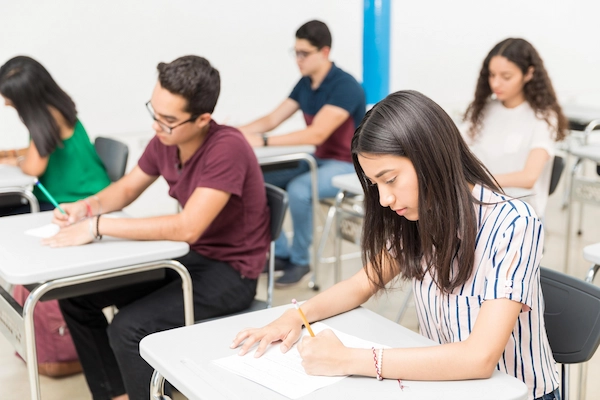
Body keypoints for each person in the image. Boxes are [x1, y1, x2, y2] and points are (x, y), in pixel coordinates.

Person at [232, 91, 560, 400]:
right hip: (449, 387)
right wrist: (296, 316)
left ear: (430, 157)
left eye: (390, 180)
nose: (385, 199)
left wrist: (348, 360)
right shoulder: (420, 217)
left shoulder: (514, 223)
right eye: (376, 185)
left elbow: (479, 357)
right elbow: (361, 284)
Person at [45, 55, 271, 400]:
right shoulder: (167, 140)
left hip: (231, 274)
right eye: (155, 112)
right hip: (188, 259)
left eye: (168, 120)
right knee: (76, 299)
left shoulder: (228, 148)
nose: (156, 126)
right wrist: (86, 208)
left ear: (202, 119)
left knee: (128, 328)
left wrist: (97, 226)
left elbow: (187, 227)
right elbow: (126, 189)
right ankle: (116, 394)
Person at [238, 20, 366, 287]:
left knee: (298, 189)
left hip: (346, 164)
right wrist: (233, 132)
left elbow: (316, 134)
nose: (298, 59)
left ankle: (300, 260)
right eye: (295, 52)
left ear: (325, 52)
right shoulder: (305, 84)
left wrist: (261, 141)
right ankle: (281, 253)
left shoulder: (345, 86)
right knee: (258, 180)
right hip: (319, 160)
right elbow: (273, 118)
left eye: (304, 53)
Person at [463, 38, 568, 217]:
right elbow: (454, 145)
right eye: (492, 75)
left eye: (506, 77)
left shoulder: (542, 116)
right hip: (479, 206)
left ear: (528, 74)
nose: (495, 83)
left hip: (518, 213)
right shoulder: (483, 110)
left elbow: (528, 177)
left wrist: (474, 183)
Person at [0, 56, 111, 215]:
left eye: (11, 99)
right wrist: (9, 155)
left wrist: (18, 162)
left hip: (74, 199)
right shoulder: (56, 107)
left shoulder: (46, 119)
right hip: (86, 192)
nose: (6, 103)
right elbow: (41, 149)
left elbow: (33, 168)